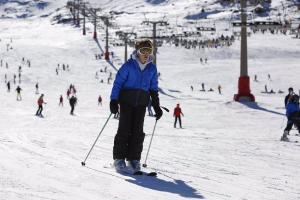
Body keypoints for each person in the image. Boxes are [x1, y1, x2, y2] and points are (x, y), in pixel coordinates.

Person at [109, 39, 163, 173]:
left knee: (138, 132)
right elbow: (118, 84)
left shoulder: (151, 68)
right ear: (137, 52)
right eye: (143, 51)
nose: (146, 54)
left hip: (141, 104)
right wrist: (114, 100)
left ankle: (134, 159)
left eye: (148, 51)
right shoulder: (128, 66)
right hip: (126, 101)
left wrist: (156, 106)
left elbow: (153, 88)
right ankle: (119, 158)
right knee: (124, 129)